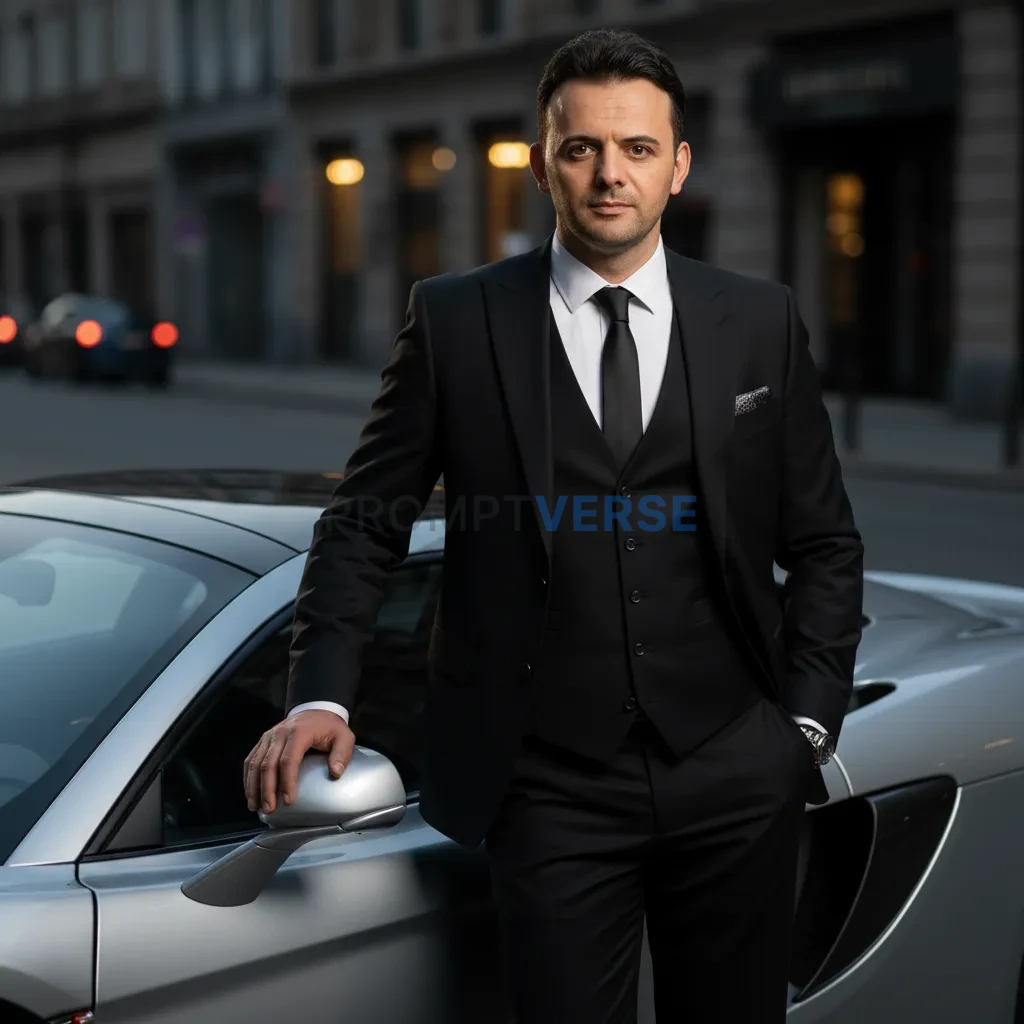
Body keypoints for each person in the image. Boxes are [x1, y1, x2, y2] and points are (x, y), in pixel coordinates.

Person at [244, 27, 864, 1023]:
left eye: (637, 148)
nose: (610, 174)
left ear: (677, 166)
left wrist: (803, 726)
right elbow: (363, 522)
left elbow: (825, 542)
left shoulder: (757, 319)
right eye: (582, 149)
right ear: (542, 167)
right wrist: (321, 695)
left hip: (734, 769)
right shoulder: (456, 320)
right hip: (547, 786)